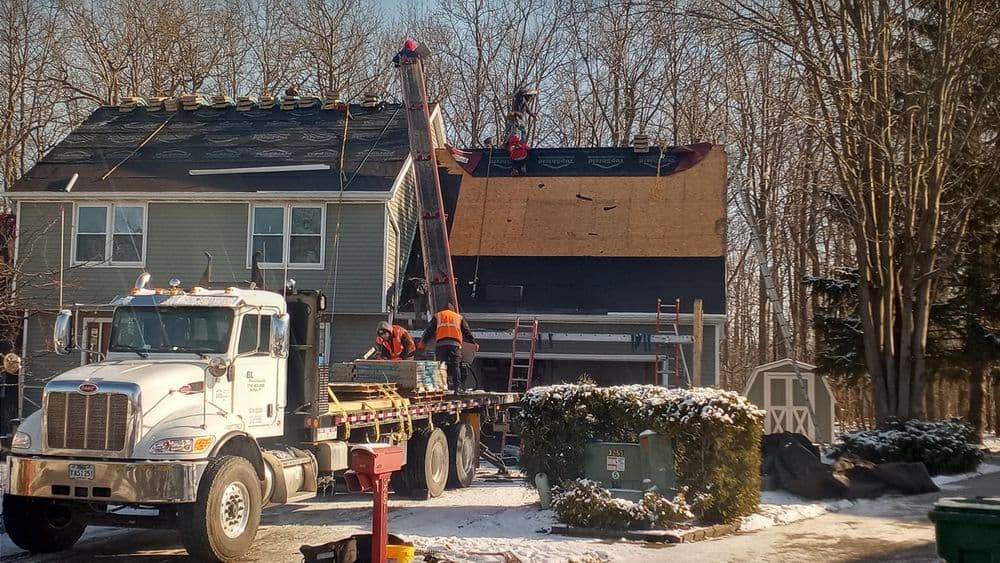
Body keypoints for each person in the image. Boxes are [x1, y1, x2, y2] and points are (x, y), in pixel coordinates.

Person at [418, 303, 477, 392]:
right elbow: (466, 331)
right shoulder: (459, 317)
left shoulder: (438, 316)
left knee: (441, 365)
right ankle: (457, 388)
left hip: (441, 344)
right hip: (455, 344)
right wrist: (473, 342)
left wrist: (423, 342)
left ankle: (441, 387)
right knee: (455, 365)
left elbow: (430, 330)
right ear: (453, 310)